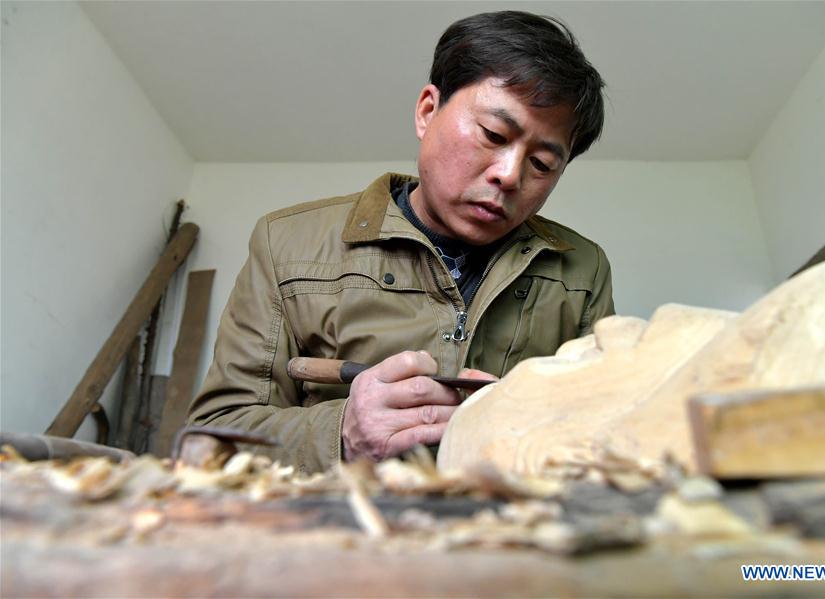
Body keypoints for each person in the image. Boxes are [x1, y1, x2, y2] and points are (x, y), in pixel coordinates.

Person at [189, 10, 614, 473]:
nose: (509, 175)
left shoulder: (582, 270)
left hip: (501, 536)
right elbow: (213, 438)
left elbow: (609, 441)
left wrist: (531, 428)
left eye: (543, 165)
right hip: (334, 535)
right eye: (493, 135)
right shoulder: (286, 243)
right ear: (427, 111)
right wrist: (343, 435)